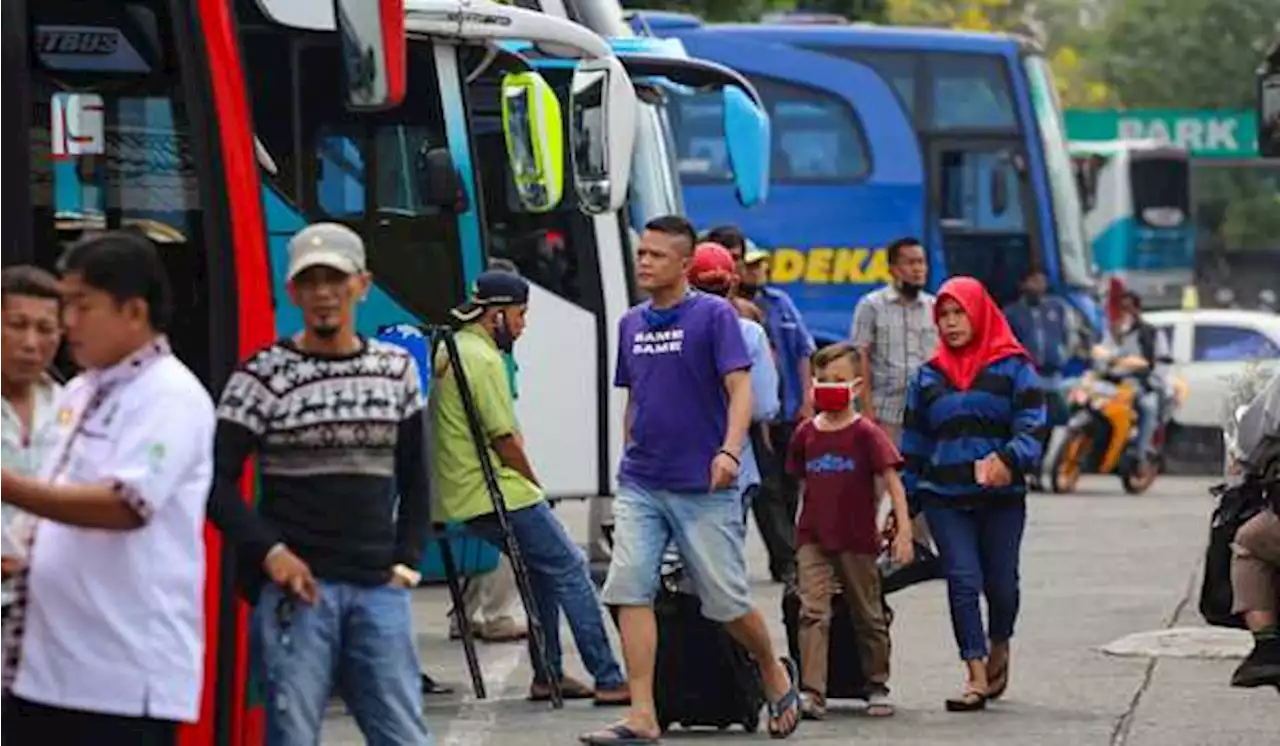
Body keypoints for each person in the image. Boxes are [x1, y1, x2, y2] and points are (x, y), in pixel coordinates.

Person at [210, 223, 432, 744]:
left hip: (380, 588)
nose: (323, 294)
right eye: (310, 282)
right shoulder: (262, 375)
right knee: (291, 733)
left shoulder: (394, 369)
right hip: (295, 591)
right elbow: (213, 481)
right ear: (293, 292)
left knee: (402, 733)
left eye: (335, 279)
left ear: (362, 285)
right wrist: (270, 554)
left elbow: (417, 476)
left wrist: (407, 562)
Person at [583, 215, 801, 745]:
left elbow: (742, 391)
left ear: (684, 265)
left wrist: (729, 450)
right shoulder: (630, 323)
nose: (644, 262)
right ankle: (643, 714)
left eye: (656, 255)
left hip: (704, 486)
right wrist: (629, 450)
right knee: (630, 587)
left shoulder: (714, 318)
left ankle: (772, 670)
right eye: (642, 253)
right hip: (642, 482)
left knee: (723, 600)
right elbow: (635, 398)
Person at [0, 232, 214, 744]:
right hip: (49, 670)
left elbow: (126, 504)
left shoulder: (170, 394)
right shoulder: (80, 389)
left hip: (119, 679)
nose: (66, 324)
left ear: (133, 312)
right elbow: (55, 495)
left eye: (81, 306)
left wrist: (6, 486)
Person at [432, 270, 628, 705]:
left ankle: (548, 676)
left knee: (544, 572)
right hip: (493, 491)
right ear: (496, 315)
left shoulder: (455, 348)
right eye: (520, 315)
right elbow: (504, 439)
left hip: (462, 491)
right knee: (572, 567)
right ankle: (610, 677)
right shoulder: (483, 360)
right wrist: (533, 483)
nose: (523, 325)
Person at [900, 276, 1046, 712]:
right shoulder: (927, 377)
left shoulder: (1014, 368)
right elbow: (913, 445)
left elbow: (1035, 425)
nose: (950, 323)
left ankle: (1000, 641)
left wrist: (1009, 458)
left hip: (1001, 501)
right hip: (944, 497)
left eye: (958, 312)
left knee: (1002, 586)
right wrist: (904, 506)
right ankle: (975, 674)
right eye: (943, 315)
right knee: (963, 582)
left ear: (979, 313)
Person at [786, 342, 914, 720]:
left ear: (856, 387)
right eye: (822, 380)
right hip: (813, 538)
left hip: (857, 540)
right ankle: (812, 692)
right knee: (812, 612)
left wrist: (903, 529)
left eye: (838, 380)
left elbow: (893, 480)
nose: (829, 387)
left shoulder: (866, 434)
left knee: (867, 613)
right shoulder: (806, 434)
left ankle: (876, 683)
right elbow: (800, 482)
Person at [708, 225, 816, 583]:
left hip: (777, 413)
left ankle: (779, 558)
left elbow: (801, 352)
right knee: (763, 491)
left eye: (741, 259)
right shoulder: (741, 318)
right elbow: (758, 394)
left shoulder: (768, 307)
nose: (737, 267)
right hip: (742, 421)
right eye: (732, 259)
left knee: (784, 487)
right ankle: (786, 560)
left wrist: (806, 400)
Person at [851, 237, 938, 550]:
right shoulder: (872, 306)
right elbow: (859, 355)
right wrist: (867, 409)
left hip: (925, 412)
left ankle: (917, 546)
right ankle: (863, 543)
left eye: (922, 262)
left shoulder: (934, 307)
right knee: (876, 482)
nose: (918, 269)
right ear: (893, 268)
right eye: (911, 263)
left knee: (922, 479)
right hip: (886, 411)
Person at [686, 242, 780, 519]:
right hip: (732, 467)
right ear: (733, 284)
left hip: (670, 471)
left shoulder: (654, 327)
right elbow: (764, 406)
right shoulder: (749, 334)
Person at [0, 267, 63, 624]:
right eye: (17, 325)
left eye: (44, 329)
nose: (30, 343)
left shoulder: (71, 408)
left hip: (48, 616)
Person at [1099, 290, 1170, 463]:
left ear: (1138, 310)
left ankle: (1140, 454)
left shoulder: (1152, 333)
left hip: (1140, 384)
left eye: (1129, 309)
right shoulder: (1112, 333)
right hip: (1111, 385)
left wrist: (1151, 381)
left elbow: (1161, 362)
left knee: (1148, 408)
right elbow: (1102, 356)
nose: (1126, 313)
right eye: (1122, 309)